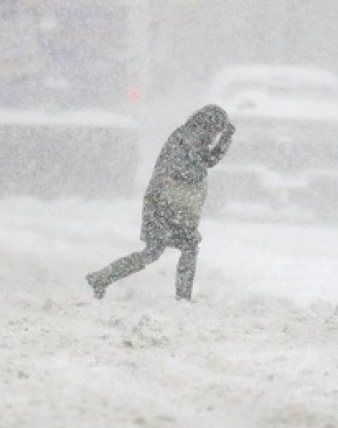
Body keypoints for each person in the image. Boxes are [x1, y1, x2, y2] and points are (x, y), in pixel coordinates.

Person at [86, 104, 235, 301]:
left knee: (180, 247)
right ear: (208, 126)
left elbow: (208, 161)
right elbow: (191, 169)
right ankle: (103, 278)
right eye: (216, 131)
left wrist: (224, 141)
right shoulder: (184, 139)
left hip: (175, 206)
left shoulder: (193, 139)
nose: (215, 135)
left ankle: (104, 278)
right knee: (158, 251)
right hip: (162, 205)